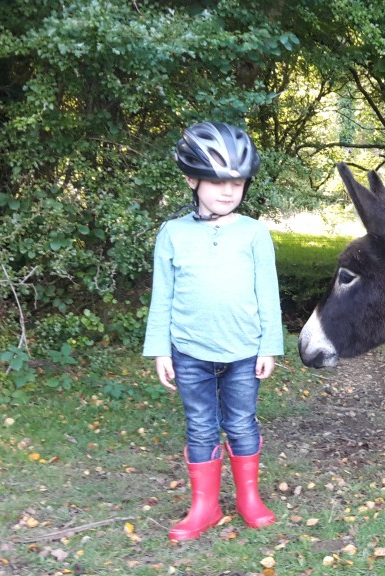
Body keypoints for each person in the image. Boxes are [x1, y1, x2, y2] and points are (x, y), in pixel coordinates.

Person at [143, 121, 284, 541]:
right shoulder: (173, 233)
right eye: (218, 181)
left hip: (244, 352)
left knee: (241, 423)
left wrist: (269, 346)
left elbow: (268, 294)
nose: (228, 191)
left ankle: (248, 498)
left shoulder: (254, 233)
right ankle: (204, 506)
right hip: (189, 352)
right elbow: (162, 296)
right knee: (201, 426)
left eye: (237, 183)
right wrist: (160, 350)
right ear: (192, 179)